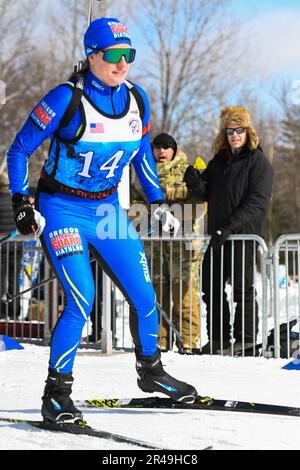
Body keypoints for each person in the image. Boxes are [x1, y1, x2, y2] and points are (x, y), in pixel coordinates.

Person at [6, 17, 197, 424]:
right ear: (92, 56)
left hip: (107, 209)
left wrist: (158, 202)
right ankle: (56, 393)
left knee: (145, 298)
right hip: (62, 209)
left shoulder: (137, 99)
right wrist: (22, 202)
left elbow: (143, 155)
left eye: (129, 55)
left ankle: (152, 372)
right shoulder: (65, 98)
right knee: (82, 299)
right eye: (113, 55)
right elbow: (19, 150)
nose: (122, 63)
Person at [184, 106, 273, 355]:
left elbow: (257, 203)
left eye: (239, 129)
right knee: (211, 288)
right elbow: (205, 193)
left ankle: (245, 341)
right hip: (217, 237)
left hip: (243, 236)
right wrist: (194, 183)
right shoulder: (218, 161)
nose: (234, 134)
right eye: (230, 130)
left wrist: (229, 228)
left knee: (242, 290)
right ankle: (219, 340)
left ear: (248, 132)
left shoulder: (258, 162)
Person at [131, 133, 201, 354]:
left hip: (183, 243)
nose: (161, 152)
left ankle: (189, 341)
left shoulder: (186, 171)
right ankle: (160, 340)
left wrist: (196, 189)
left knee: (185, 295)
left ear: (174, 150)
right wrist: (151, 215)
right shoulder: (144, 173)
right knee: (156, 295)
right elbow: (134, 207)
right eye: (157, 147)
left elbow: (198, 206)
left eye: (166, 147)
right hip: (154, 245)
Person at [0, 171, 22, 319]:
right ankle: (14, 311)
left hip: (2, 245)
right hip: (18, 244)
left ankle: (2, 311)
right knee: (15, 279)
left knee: (1, 279)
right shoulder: (16, 201)